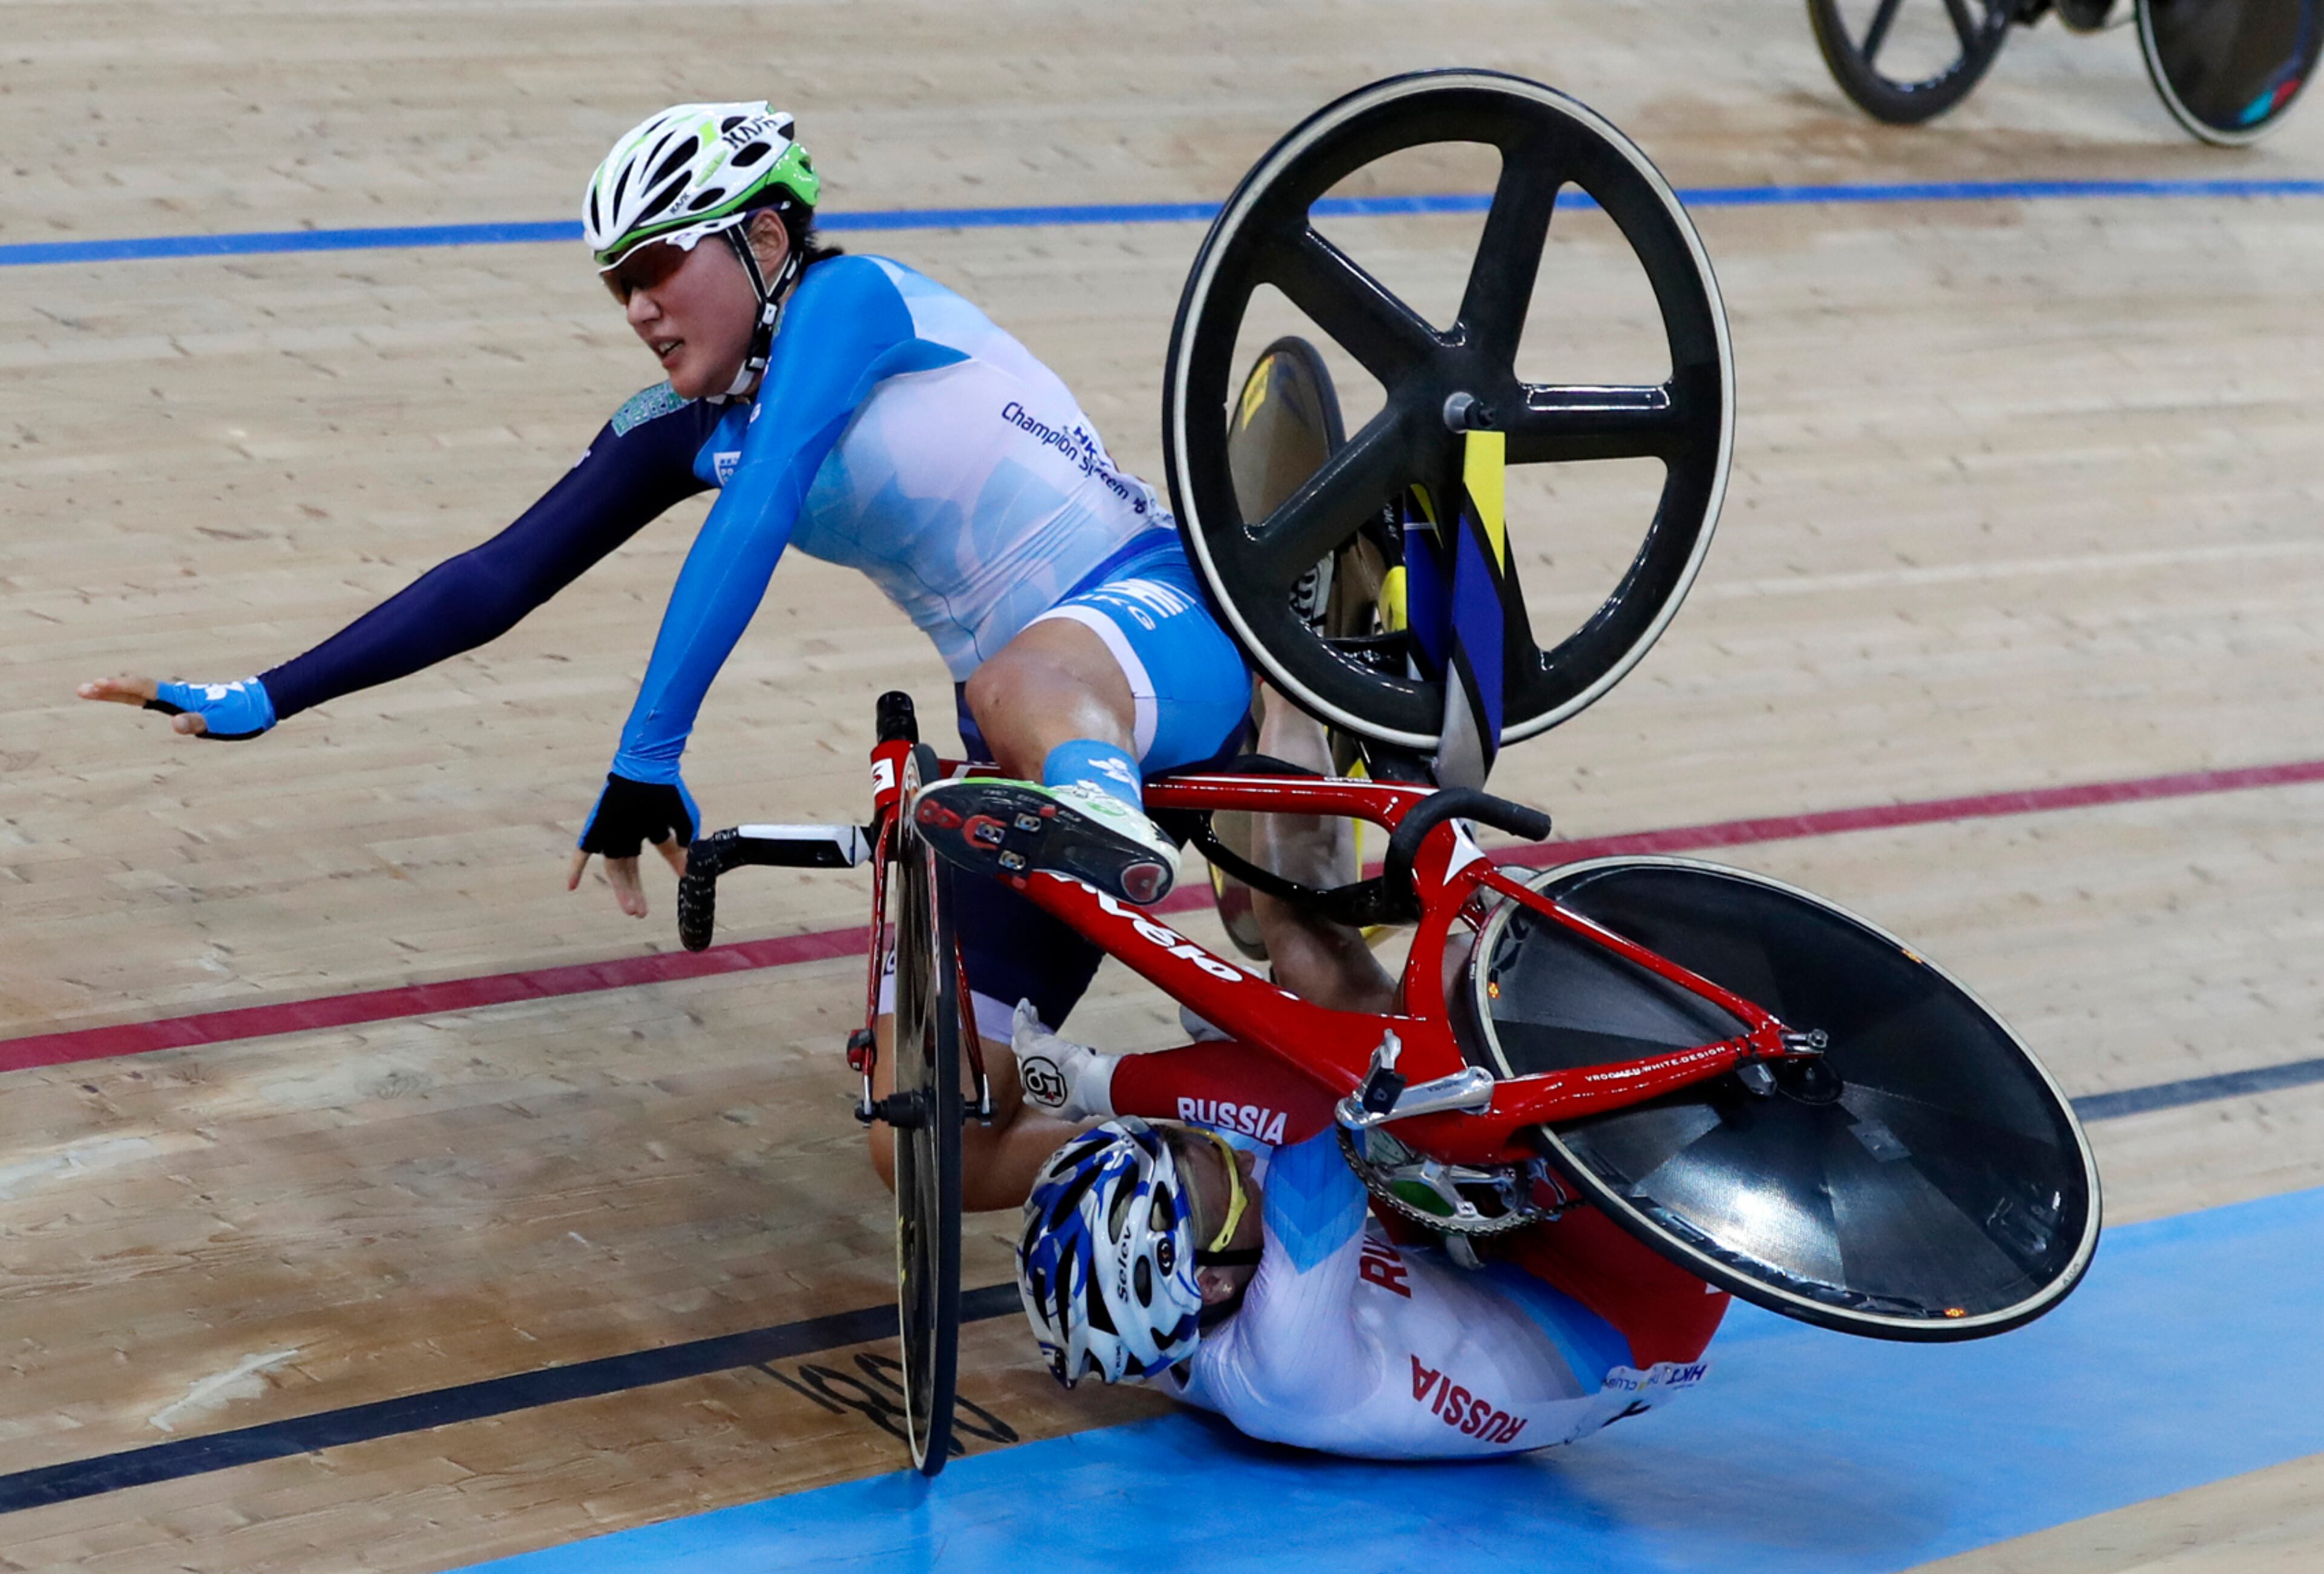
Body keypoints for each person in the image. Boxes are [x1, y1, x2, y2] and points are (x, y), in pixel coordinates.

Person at [76, 101, 1265, 1207]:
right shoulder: (687, 427)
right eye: (618, 284)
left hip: (1148, 620)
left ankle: (1110, 831)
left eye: (657, 266)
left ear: (758, 237)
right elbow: (496, 578)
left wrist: (650, 748)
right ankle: (1227, 1127)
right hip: (1012, 731)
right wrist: (273, 693)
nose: (639, 308)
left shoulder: (849, 302)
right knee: (922, 1134)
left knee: (1019, 684)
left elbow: (757, 512)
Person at [1014, 1107, 1728, 1460]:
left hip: (1484, 1261)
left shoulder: (1179, 1312)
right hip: (1623, 1317)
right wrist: (1111, 1076)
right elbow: (1310, 1101)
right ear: (1210, 1281)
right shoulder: (1279, 1361)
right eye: (1223, 1172)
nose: (1230, 1154)